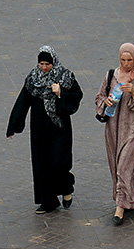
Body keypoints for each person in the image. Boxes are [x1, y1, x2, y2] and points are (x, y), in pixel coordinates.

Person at [6, 45, 83, 214]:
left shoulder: (65, 76)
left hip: (59, 128)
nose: (44, 67)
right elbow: (23, 102)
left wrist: (60, 93)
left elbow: (77, 95)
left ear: (53, 62)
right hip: (39, 130)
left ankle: (66, 188)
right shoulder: (33, 78)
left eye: (47, 64)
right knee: (42, 164)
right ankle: (48, 202)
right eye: (41, 63)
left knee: (58, 162)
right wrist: (14, 126)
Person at [96, 43, 134, 225]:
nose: (126, 63)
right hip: (113, 130)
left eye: (130, 60)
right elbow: (98, 98)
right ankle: (130, 199)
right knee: (116, 167)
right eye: (123, 60)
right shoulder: (110, 76)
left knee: (124, 167)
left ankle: (120, 207)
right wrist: (106, 102)